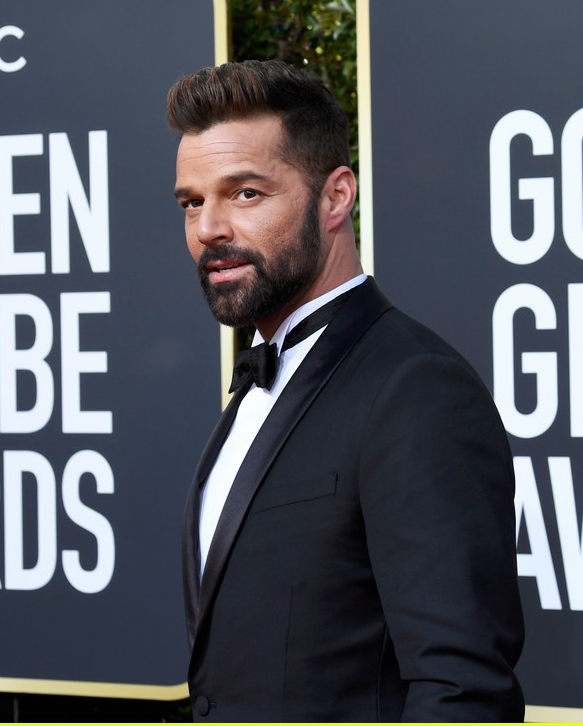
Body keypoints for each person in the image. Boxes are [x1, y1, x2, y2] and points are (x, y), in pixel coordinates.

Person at [168, 60, 524, 721]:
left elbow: (462, 689)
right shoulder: (260, 380)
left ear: (336, 197)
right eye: (192, 201)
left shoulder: (416, 388)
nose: (209, 228)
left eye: (244, 193)